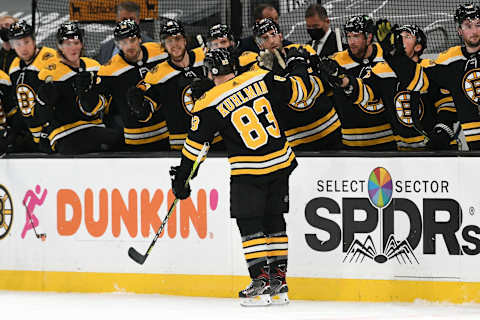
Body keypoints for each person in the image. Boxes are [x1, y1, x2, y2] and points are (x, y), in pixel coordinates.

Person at [170, 47, 312, 306]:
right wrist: (299, 66)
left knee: (249, 223)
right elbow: (299, 91)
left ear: (210, 72)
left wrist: (182, 178)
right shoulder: (259, 76)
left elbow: (196, 148)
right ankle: (279, 285)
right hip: (280, 162)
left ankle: (260, 284)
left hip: (249, 170)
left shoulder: (207, 103)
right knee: (274, 220)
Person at [320, 24, 458, 151]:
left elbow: (446, 103)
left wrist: (443, 129)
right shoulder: (382, 70)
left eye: (407, 36)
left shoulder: (429, 67)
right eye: (399, 36)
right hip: (403, 152)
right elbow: (364, 92)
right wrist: (341, 79)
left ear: (418, 47)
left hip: (439, 150)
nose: (401, 39)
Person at [375, 3, 480, 150]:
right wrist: (394, 55)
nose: (474, 31)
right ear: (459, 31)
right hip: (474, 142)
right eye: (468, 26)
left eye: (478, 25)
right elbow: (420, 81)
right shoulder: (449, 60)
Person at [127, 19, 223, 151]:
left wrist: (212, 88)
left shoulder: (205, 58)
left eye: (177, 39)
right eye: (169, 41)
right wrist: (138, 106)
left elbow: (229, 89)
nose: (174, 45)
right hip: (182, 144)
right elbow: (146, 114)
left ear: (185, 40)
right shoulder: (157, 74)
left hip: (216, 137)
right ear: (164, 45)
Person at [253, 18, 341, 150]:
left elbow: (327, 83)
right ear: (259, 45)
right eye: (265, 38)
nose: (271, 40)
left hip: (329, 129)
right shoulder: (256, 71)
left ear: (280, 36)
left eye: (273, 34)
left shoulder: (304, 50)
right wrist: (270, 71)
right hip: (295, 142)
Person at [37, 22, 122, 154]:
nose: (73, 48)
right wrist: (44, 102)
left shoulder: (93, 66)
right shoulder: (51, 73)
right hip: (65, 133)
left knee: (119, 139)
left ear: (81, 44)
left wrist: (90, 97)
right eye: (68, 44)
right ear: (60, 46)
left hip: (95, 128)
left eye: (76, 43)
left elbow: (105, 102)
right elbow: (41, 114)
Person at [98, 19, 169, 151]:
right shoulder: (109, 70)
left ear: (140, 39)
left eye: (132, 40)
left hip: (167, 133)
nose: (129, 46)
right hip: (135, 141)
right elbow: (99, 105)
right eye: (124, 42)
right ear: (117, 44)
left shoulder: (160, 52)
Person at [329, 15, 396, 150]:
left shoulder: (385, 53)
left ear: (369, 37)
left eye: (356, 36)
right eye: (349, 36)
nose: (351, 42)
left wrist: (395, 54)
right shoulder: (337, 61)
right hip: (352, 143)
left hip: (387, 140)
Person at [8, 20, 57, 153]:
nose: (23, 48)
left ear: (34, 40)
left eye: (26, 42)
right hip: (31, 130)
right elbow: (21, 104)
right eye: (17, 44)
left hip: (54, 129)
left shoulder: (50, 58)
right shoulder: (14, 67)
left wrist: (50, 129)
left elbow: (59, 98)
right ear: (12, 46)